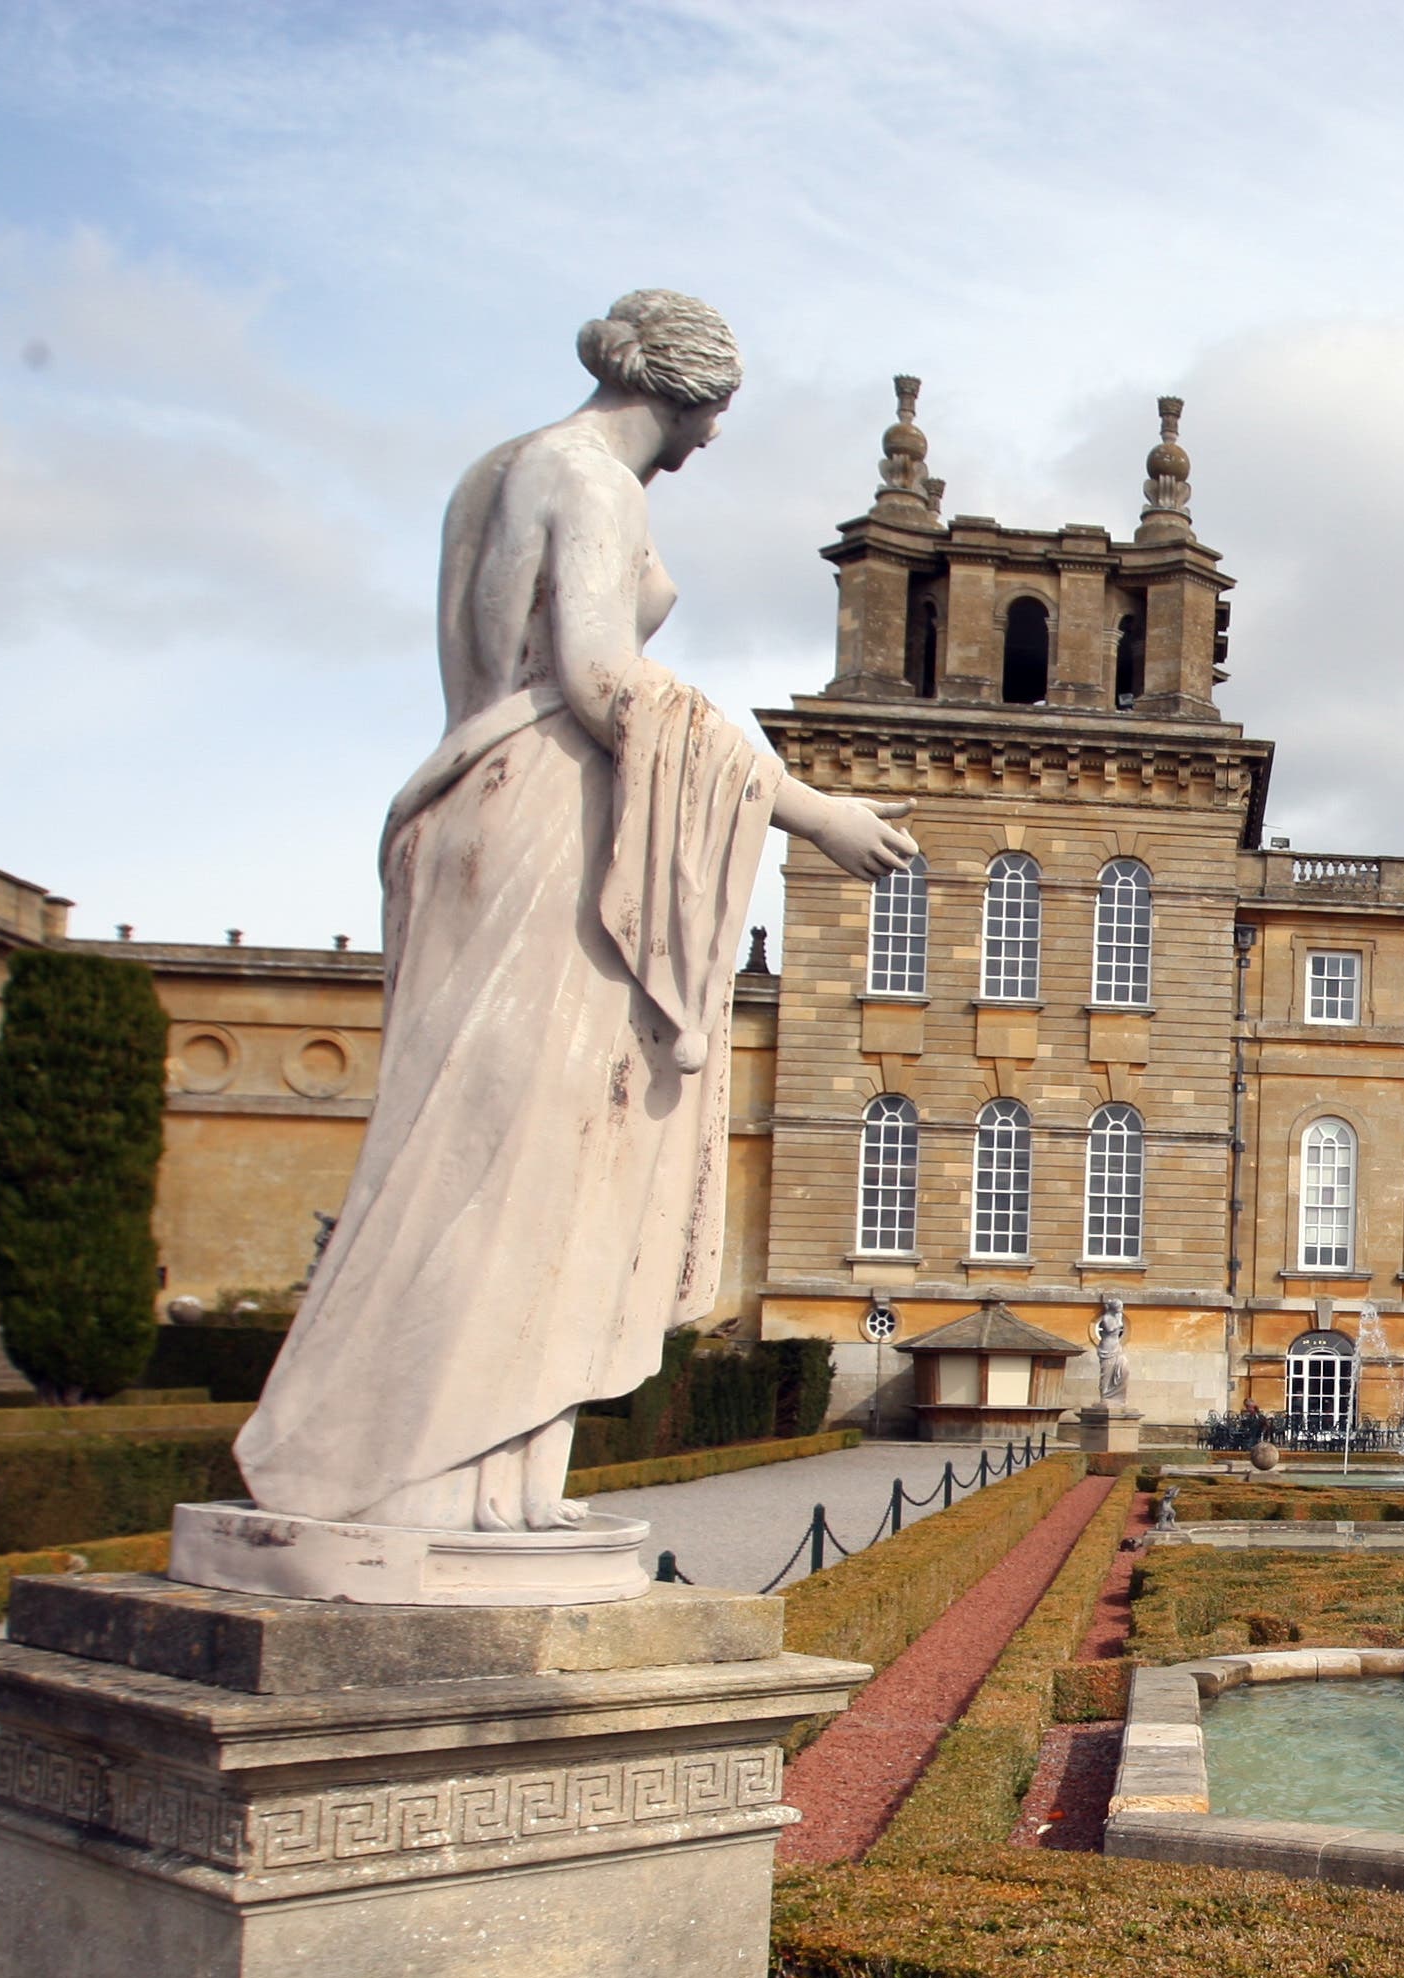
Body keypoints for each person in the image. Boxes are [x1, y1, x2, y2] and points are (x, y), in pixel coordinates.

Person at [238, 293, 919, 1530]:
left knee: (503, 1143)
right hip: (549, 819)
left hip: (490, 810)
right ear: (688, 391)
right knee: (521, 1150)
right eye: (718, 413)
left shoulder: (494, 471)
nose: (713, 440)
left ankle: (491, 1483)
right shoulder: (591, 481)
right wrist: (806, 807)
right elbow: (603, 682)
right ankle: (381, 1470)